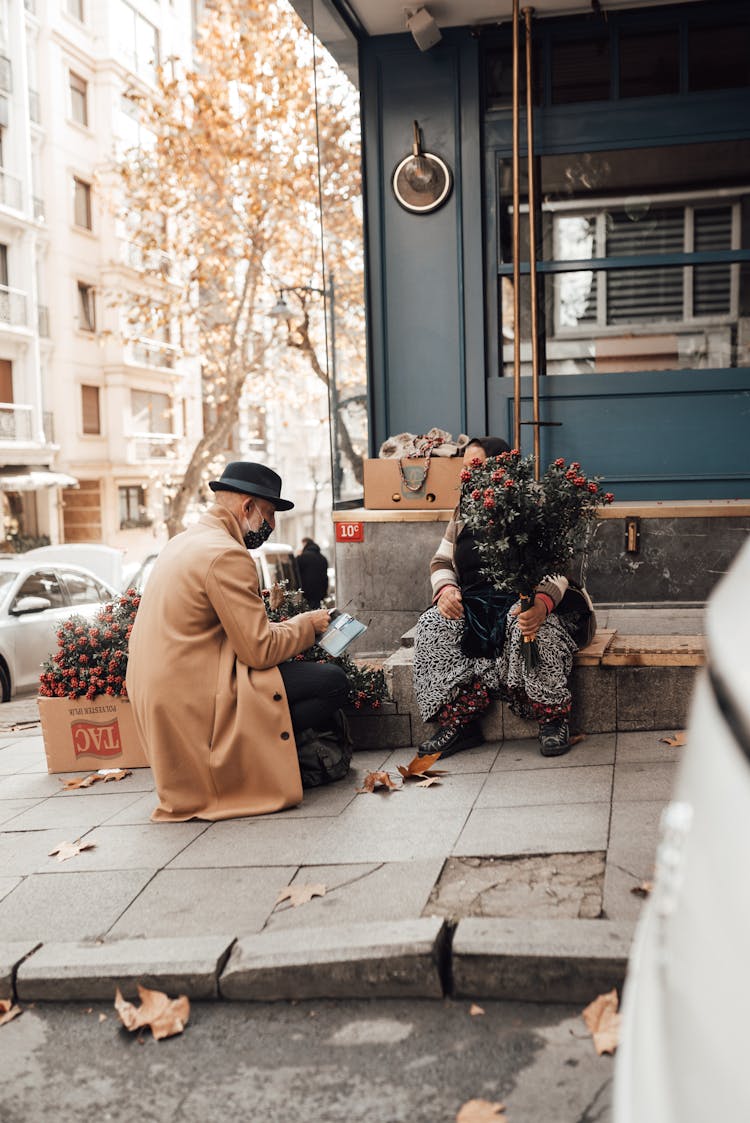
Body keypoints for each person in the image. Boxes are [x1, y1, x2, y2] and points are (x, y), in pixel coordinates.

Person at [126, 461, 350, 822]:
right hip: (197, 699)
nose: (272, 526)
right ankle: (258, 761)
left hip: (169, 694)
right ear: (247, 508)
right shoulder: (227, 554)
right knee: (332, 684)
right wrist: (308, 625)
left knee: (303, 678)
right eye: (270, 514)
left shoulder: (182, 542)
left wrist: (292, 627)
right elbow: (258, 651)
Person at [413, 437, 594, 760]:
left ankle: (552, 718)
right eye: (465, 468)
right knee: (431, 625)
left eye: (476, 467)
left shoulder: (530, 506)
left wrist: (541, 604)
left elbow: (557, 567)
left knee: (529, 625)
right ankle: (459, 723)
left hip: (527, 599)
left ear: (500, 469)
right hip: (479, 604)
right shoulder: (463, 511)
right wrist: (447, 591)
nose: (467, 475)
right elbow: (441, 561)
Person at [297, 537, 329, 609]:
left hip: (306, 593)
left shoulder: (302, 557)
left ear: (305, 544)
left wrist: (298, 556)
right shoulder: (323, 558)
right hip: (320, 593)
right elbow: (325, 577)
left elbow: (296, 572)